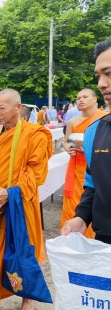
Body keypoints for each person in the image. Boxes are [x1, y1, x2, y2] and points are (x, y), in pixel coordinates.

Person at [0, 89, 53, 310]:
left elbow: (36, 174)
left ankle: (27, 298)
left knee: (25, 249)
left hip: (21, 201)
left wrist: (10, 193)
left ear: (18, 107)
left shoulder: (36, 134)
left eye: (2, 108)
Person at [62, 39, 111, 245]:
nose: (101, 83)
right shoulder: (95, 130)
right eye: (98, 76)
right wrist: (82, 216)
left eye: (108, 73)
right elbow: (92, 184)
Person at [60, 88, 106, 239]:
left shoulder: (105, 119)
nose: (80, 100)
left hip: (96, 168)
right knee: (74, 205)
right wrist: (69, 149)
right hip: (76, 168)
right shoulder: (73, 122)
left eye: (85, 97)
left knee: (96, 201)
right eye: (78, 97)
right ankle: (73, 237)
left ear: (95, 99)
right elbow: (66, 142)